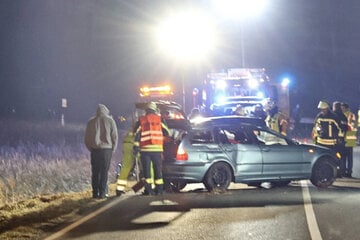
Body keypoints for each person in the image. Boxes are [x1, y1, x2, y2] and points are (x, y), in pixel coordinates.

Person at [134, 102, 170, 195]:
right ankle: (159, 190)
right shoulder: (159, 119)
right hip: (157, 149)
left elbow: (136, 134)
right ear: (155, 110)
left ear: (146, 110)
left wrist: (136, 147)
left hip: (145, 150)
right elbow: (167, 132)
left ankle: (148, 190)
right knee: (157, 170)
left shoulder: (142, 120)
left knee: (147, 171)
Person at [84, 104, 118, 199]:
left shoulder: (91, 122)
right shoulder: (111, 121)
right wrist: (113, 149)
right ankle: (102, 193)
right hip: (107, 150)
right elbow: (114, 136)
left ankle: (95, 193)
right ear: (106, 111)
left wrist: (91, 148)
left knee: (95, 173)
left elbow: (87, 138)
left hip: (95, 150)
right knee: (104, 172)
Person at [116, 128, 136, 196]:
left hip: (127, 145)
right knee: (146, 167)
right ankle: (150, 188)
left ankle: (119, 189)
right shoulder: (146, 124)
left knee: (125, 168)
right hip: (133, 145)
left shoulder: (136, 126)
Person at [341, 102, 357, 177]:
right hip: (349, 137)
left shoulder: (350, 115)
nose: (342, 109)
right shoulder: (347, 114)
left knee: (348, 156)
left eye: (343, 108)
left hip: (349, 136)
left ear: (346, 108)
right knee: (345, 156)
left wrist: (345, 124)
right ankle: (345, 171)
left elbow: (352, 125)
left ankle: (348, 172)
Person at [332, 101, 348, 176]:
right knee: (342, 156)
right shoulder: (344, 117)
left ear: (335, 107)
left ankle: (335, 172)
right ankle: (342, 172)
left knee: (334, 156)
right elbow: (345, 128)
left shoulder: (333, 115)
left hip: (334, 139)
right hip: (342, 139)